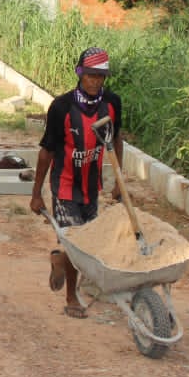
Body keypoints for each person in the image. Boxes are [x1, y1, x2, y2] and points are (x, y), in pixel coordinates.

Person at [29, 46, 123, 318]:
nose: (95, 81)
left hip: (92, 186)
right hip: (65, 185)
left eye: (100, 76)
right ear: (80, 73)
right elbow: (46, 152)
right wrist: (36, 193)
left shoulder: (112, 103)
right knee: (77, 243)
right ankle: (72, 297)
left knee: (88, 243)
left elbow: (117, 138)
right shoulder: (62, 107)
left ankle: (59, 259)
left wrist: (119, 180)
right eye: (90, 75)